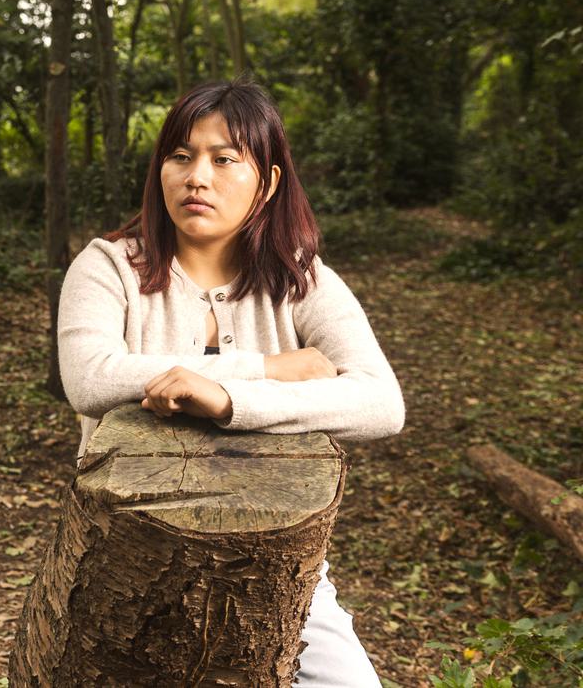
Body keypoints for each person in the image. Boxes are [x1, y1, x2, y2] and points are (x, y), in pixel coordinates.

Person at [56, 75, 404, 687]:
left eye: (224, 160)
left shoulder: (301, 280)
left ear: (266, 182)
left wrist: (229, 400)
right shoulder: (108, 267)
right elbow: (90, 379)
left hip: (275, 557)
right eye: (181, 156)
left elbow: (381, 402)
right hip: (126, 554)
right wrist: (267, 368)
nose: (198, 177)